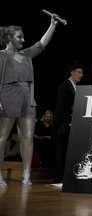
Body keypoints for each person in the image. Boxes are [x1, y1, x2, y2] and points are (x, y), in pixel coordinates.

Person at [0, 15, 59, 188]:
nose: (23, 40)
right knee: (2, 137)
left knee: (27, 137)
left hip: (27, 96)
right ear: (9, 38)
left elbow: (42, 44)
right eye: (19, 37)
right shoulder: (1, 56)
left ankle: (26, 174)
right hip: (8, 95)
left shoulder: (26, 55)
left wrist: (52, 25)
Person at [52, 61, 84, 183]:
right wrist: (67, 123)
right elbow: (62, 107)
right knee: (61, 152)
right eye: (79, 72)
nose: (81, 75)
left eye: (82, 73)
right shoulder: (64, 86)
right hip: (63, 126)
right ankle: (59, 177)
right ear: (72, 73)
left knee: (68, 152)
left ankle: (67, 176)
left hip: (72, 125)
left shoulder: (78, 88)